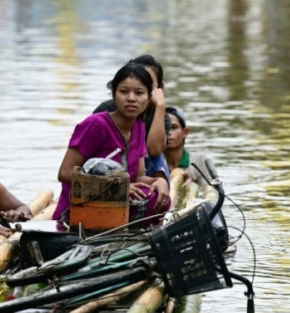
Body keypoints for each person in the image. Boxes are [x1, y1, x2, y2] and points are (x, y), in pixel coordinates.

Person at [56, 62, 171, 223]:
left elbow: (138, 177)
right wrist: (113, 186)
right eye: (124, 92)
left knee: (160, 198)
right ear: (114, 94)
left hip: (115, 206)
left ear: (149, 98)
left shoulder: (139, 127)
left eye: (139, 93)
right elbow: (65, 173)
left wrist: (160, 181)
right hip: (80, 208)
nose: (131, 98)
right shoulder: (96, 125)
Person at [93, 54, 171, 181]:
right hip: (105, 175)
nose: (132, 98)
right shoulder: (104, 112)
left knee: (158, 160)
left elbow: (154, 150)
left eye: (147, 84)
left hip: (140, 175)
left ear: (159, 88)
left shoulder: (159, 116)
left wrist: (160, 106)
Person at [163, 106, 214, 184]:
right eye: (164, 128)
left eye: (174, 127)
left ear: (185, 132)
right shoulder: (151, 164)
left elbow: (210, 192)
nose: (169, 132)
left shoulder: (199, 162)